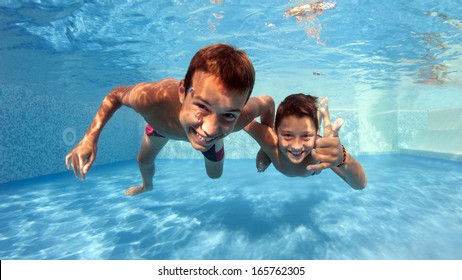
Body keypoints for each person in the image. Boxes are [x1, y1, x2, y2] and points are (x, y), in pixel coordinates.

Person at [65, 43, 275, 196]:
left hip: (202, 141)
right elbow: (115, 95)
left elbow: (268, 102)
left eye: (228, 114)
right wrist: (89, 138)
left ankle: (214, 137)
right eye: (202, 106)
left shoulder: (240, 118)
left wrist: (266, 146)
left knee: (215, 176)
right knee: (143, 161)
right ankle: (147, 186)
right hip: (161, 126)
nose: (210, 129)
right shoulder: (152, 100)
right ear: (183, 91)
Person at [244, 93, 367, 190]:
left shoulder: (320, 149)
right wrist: (265, 102)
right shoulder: (269, 139)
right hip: (286, 142)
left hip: (314, 171)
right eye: (287, 135)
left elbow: (359, 184)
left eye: (306, 136)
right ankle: (318, 118)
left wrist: (343, 159)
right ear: (276, 130)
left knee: (317, 133)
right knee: (309, 128)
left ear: (315, 134)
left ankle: (323, 113)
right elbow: (240, 116)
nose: (296, 146)